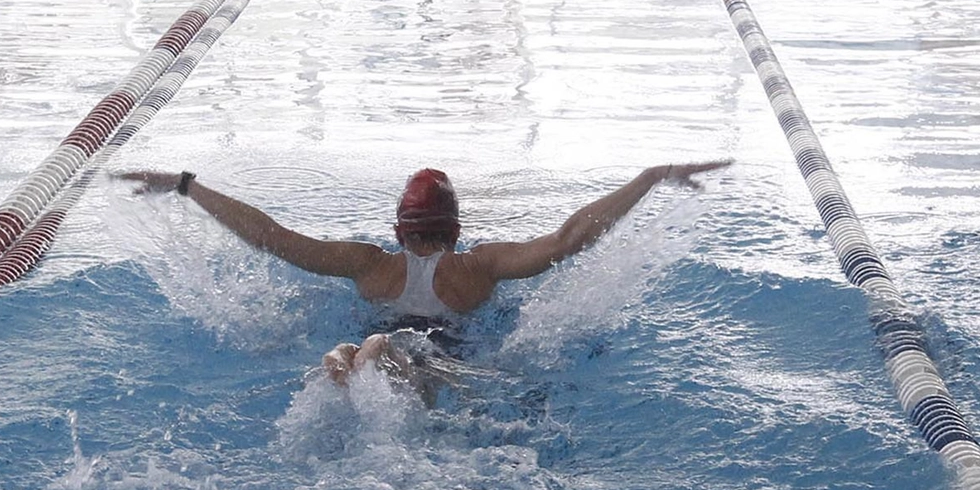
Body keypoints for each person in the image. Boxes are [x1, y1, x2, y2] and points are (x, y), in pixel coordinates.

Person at [115, 161, 730, 390]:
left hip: (384, 329)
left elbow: (273, 238)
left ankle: (347, 359)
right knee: (415, 365)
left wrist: (189, 187)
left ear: (398, 228)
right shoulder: (479, 269)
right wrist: (649, 179)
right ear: (456, 229)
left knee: (365, 349)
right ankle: (373, 359)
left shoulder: (369, 264)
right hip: (447, 358)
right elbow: (571, 238)